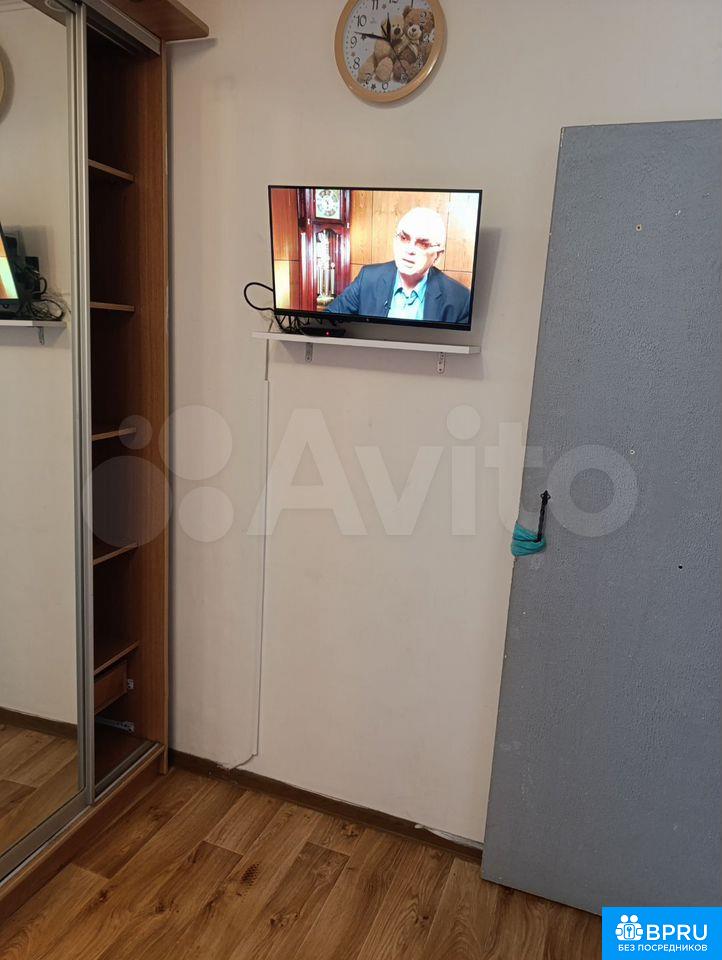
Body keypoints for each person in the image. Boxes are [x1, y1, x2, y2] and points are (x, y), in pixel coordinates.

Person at [325, 207, 471, 325]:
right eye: (404, 238)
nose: (409, 249)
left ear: (437, 256)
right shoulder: (368, 278)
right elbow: (328, 321)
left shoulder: (461, 299)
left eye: (422, 244)